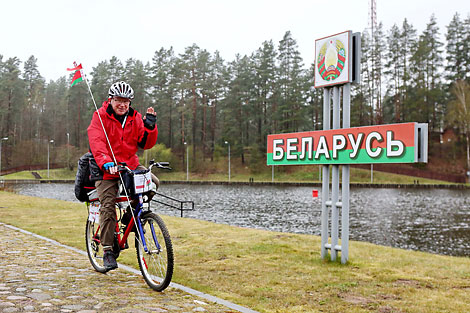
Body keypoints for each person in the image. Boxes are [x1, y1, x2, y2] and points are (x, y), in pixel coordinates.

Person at [87, 81, 158, 272]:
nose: (122, 104)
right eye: (118, 100)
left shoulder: (135, 118)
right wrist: (106, 161)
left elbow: (146, 143)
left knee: (153, 184)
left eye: (126, 101)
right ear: (111, 100)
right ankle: (109, 250)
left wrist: (150, 127)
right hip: (106, 168)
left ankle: (129, 217)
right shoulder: (99, 116)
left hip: (130, 164)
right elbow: (96, 141)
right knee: (108, 206)